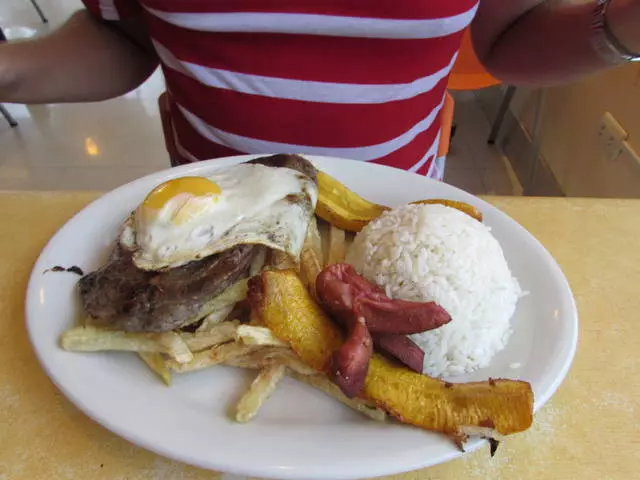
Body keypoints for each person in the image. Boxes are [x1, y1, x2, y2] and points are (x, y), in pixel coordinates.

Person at [0, 0, 638, 178]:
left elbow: (509, 38)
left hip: (395, 212)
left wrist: (622, 23)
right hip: (209, 207)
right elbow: (127, 35)